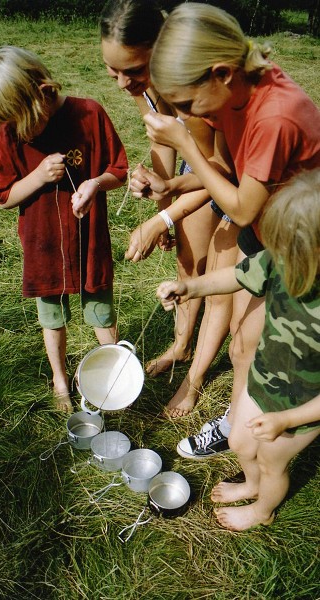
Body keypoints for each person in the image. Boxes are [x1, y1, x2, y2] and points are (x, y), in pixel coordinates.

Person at [133, 2, 320, 450]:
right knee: (242, 345)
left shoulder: (273, 114)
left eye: (187, 104)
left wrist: (182, 141)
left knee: (263, 351)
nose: (188, 116)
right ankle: (239, 425)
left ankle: (260, 439)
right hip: (272, 228)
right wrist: (172, 182)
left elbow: (238, 207)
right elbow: (229, 171)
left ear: (220, 72)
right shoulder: (234, 96)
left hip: (302, 246)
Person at [157, 168, 320, 530]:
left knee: (271, 462)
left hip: (300, 408)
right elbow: (236, 275)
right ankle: (250, 482)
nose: (277, 253)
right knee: (241, 441)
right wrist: (192, 288)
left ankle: (263, 509)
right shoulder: (280, 259)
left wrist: (286, 420)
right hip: (262, 379)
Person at [100, 0, 239, 415]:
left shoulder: (192, 92)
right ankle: (180, 346)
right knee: (188, 261)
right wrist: (158, 201)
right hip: (198, 169)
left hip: (235, 178)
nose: (124, 83)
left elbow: (222, 172)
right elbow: (162, 140)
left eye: (133, 72)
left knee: (217, 278)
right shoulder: (144, 87)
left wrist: (164, 216)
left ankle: (194, 380)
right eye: (113, 72)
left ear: (160, 53)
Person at [0, 46, 128, 412]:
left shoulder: (88, 113)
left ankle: (112, 376)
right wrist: (39, 176)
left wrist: (94, 184)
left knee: (101, 313)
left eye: (26, 124)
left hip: (90, 241)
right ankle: (61, 380)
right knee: (53, 317)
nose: (21, 134)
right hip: (43, 246)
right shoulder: (8, 130)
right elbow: (4, 195)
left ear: (44, 93)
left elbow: (119, 170)